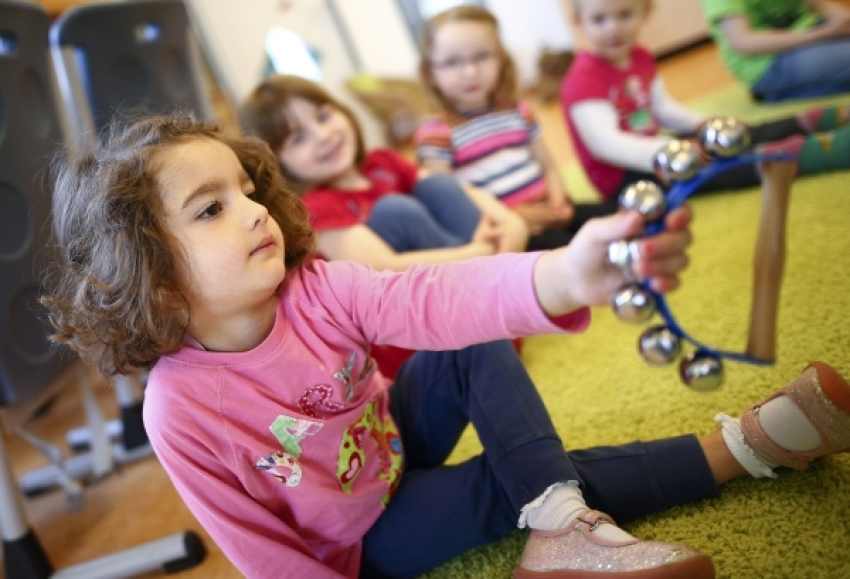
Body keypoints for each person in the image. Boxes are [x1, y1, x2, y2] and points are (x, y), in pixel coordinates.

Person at [42, 112, 850, 579]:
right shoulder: (178, 407)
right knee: (512, 482)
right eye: (210, 209)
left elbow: (435, 299)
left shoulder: (314, 286)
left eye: (247, 191)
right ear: (147, 271)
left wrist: (565, 275)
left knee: (473, 342)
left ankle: (560, 516)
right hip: (366, 536)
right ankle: (739, 449)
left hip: (395, 440)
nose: (254, 211)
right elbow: (259, 549)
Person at [561, 0, 850, 204]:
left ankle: (821, 119)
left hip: (657, 147)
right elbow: (606, 144)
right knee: (716, 167)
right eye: (599, 19)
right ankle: (815, 152)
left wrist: (703, 123)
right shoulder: (584, 78)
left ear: (645, 11)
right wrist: (674, 149)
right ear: (579, 23)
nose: (613, 28)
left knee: (729, 133)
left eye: (624, 15)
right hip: (625, 177)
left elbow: (663, 109)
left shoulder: (640, 57)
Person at [240, 74, 528, 271]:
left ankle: (506, 276)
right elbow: (385, 267)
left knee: (438, 185)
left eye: (324, 116)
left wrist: (510, 222)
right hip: (420, 303)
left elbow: (463, 193)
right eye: (299, 139)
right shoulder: (315, 209)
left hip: (470, 261)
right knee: (394, 211)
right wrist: (481, 253)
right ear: (280, 164)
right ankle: (498, 278)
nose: (323, 135)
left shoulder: (381, 162)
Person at [414, 5, 616, 251]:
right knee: (578, 254)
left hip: (553, 210)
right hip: (514, 232)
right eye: (452, 62)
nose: (470, 72)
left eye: (482, 57)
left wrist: (558, 200)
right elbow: (452, 204)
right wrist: (514, 220)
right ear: (430, 72)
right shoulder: (436, 133)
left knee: (619, 220)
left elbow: (548, 165)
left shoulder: (517, 111)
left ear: (501, 59)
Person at [699, 0, 850, 103]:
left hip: (811, 31)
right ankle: (775, 91)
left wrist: (844, 20)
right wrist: (824, 33)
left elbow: (817, 4)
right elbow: (744, 43)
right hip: (767, 61)